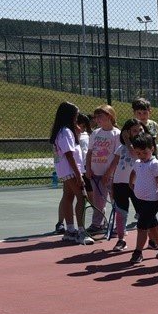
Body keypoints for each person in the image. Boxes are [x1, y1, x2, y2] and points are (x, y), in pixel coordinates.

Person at [49, 101, 94, 245]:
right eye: (75, 115)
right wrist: (78, 175)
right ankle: (81, 231)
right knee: (81, 198)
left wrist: (77, 131)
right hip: (71, 170)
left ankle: (70, 231)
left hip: (65, 170)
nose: (77, 117)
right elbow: (69, 155)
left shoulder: (63, 130)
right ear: (69, 116)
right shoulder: (66, 132)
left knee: (68, 197)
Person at [104, 119, 146, 252]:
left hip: (136, 184)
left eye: (140, 130)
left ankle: (151, 239)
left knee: (144, 213)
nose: (138, 133)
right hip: (119, 184)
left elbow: (134, 153)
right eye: (134, 131)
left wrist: (127, 140)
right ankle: (121, 240)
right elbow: (114, 164)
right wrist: (107, 177)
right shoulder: (121, 148)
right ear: (126, 133)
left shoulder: (142, 148)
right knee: (121, 213)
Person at [127, 132, 158, 264]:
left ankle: (138, 252)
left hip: (152, 201)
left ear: (152, 149)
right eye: (138, 153)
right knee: (153, 226)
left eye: (144, 152)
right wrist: (131, 182)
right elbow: (134, 172)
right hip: (140, 200)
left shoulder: (154, 164)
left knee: (142, 226)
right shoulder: (138, 162)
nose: (142, 156)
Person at [85, 105, 120, 235]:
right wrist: (88, 168)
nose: (97, 119)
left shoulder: (117, 134)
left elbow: (117, 157)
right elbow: (89, 153)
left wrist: (108, 173)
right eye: (96, 116)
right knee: (98, 200)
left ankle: (118, 226)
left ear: (109, 116)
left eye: (100, 116)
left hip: (111, 175)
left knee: (115, 200)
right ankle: (97, 224)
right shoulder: (95, 133)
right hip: (95, 174)